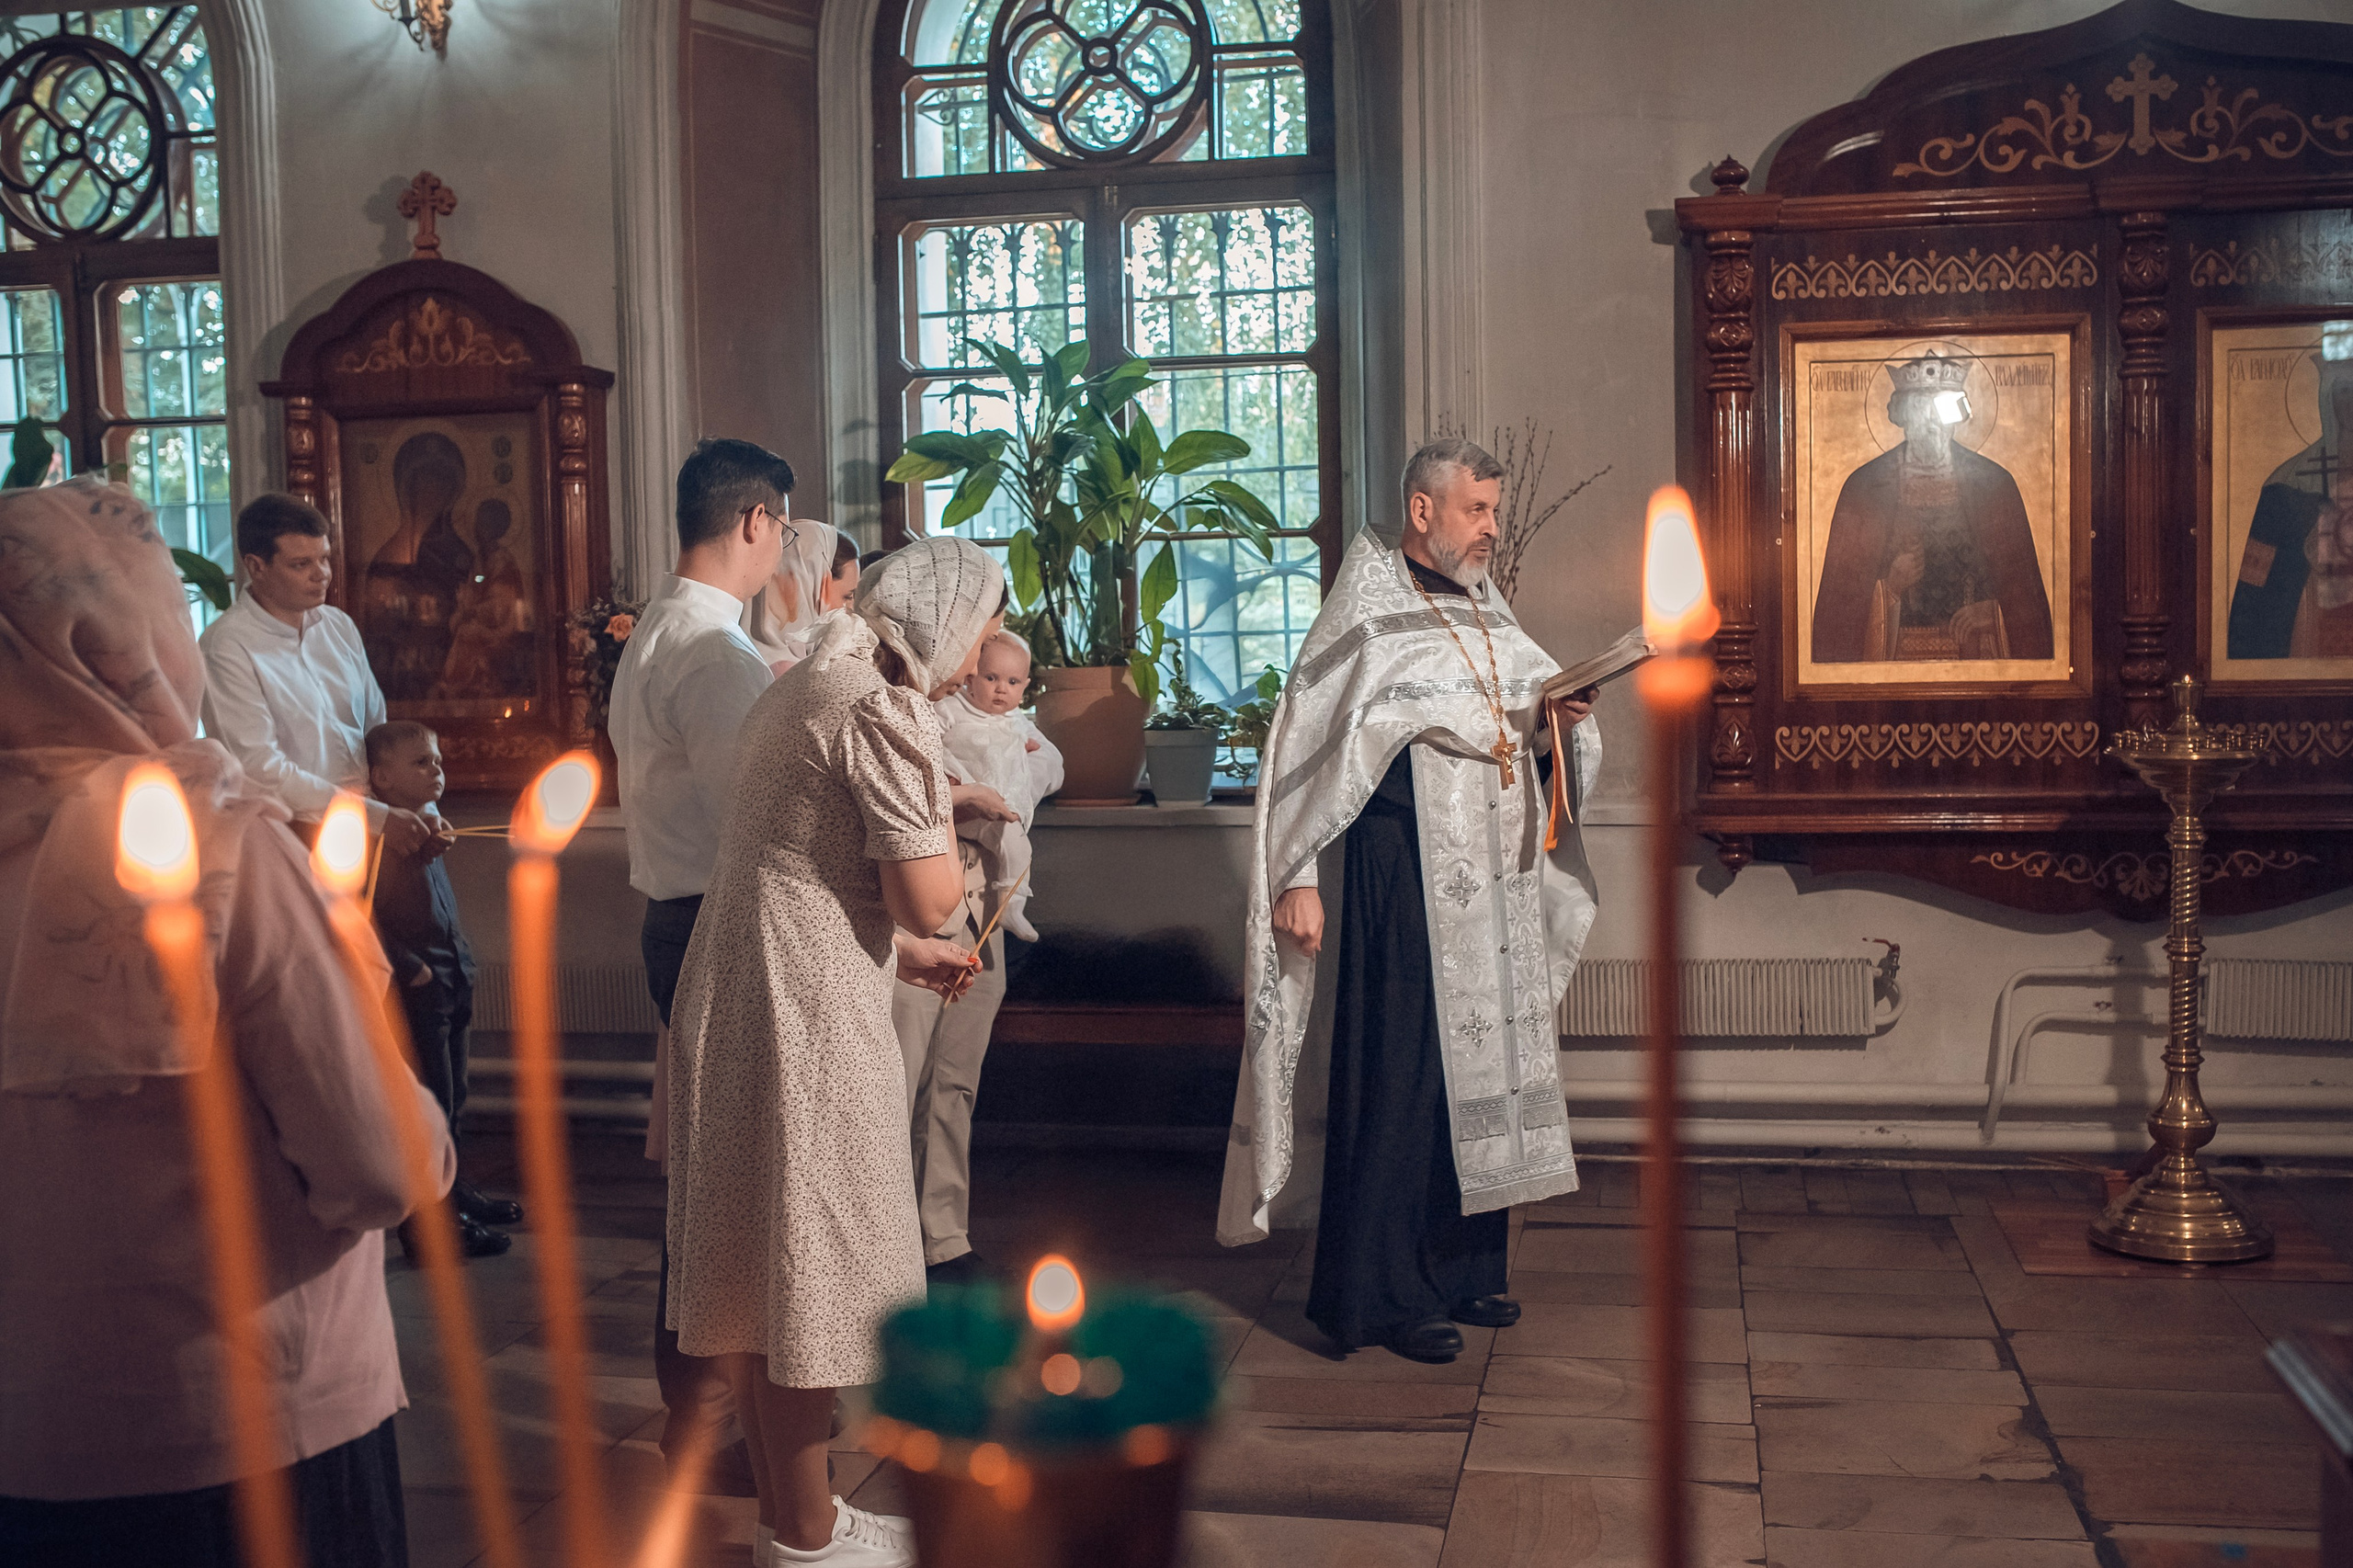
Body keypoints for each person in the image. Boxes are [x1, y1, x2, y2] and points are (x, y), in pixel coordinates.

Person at [0, 479, 455, 1566]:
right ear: (130, 640)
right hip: (247, 1412)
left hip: (28, 1429)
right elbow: (376, 1161)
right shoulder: (221, 854)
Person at [1216, 438, 1602, 1366]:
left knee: (1484, 1076)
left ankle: (1463, 1268)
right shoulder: (1365, 612)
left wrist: (1556, 727)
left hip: (1494, 882)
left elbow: (1516, 735)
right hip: (1400, 873)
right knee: (1403, 1076)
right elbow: (1307, 753)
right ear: (1422, 510)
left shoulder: (1487, 609)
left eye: (1495, 510)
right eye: (1477, 509)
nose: (1492, 528)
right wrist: (1297, 877)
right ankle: (1384, 1295)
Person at [665, 536, 1005, 1567]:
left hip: (743, 982)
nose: (983, 646)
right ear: (946, 623)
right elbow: (928, 893)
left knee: (761, 1267)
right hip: (802, 1008)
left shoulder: (812, 679)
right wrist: (948, 831)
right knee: (811, 1263)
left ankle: (792, 1519)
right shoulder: (881, 707)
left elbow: (802, 861)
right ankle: (809, 1536)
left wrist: (898, 953)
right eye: (984, 624)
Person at [608, 437, 797, 1494]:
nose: (782, 551)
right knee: (726, 1194)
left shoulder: (657, 628)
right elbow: (759, 818)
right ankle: (711, 1425)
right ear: (755, 520)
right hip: (716, 923)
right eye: (782, 530)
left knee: (706, 1187)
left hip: (674, 916)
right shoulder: (717, 650)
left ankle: (703, 1417)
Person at [892, 627, 1060, 1285]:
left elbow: (1046, 765)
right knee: (899, 1078)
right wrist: (963, 795)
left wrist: (1012, 780)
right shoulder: (915, 707)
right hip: (919, 908)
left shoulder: (1008, 721)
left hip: (984, 904)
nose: (991, 680)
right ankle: (886, 1243)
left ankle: (943, 1238)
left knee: (955, 1080)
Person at [199, 493, 440, 864]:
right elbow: (259, 769)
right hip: (291, 838)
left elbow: (381, 735)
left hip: (377, 828)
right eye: (301, 564)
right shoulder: (226, 646)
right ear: (256, 566)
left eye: (324, 558)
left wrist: (422, 809)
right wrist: (374, 818)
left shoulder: (338, 626)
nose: (322, 574)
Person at [368, 718, 520, 1257]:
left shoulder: (427, 830)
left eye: (437, 760)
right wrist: (409, 966)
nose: (436, 769)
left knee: (455, 1095)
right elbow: (366, 916)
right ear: (382, 778)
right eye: (421, 762)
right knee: (428, 1101)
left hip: (453, 975)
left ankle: (454, 1191)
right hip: (420, 986)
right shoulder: (376, 841)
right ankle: (429, 1223)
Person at [1811, 350, 2053, 664]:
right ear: (1902, 416)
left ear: (1956, 419)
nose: (1930, 423)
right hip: (1891, 669)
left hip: (1977, 661)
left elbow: (2026, 605)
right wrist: (1890, 588)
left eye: (1940, 410)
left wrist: (1994, 613)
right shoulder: (1865, 489)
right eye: (1918, 408)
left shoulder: (1993, 486)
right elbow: (1838, 616)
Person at [936, 627, 1061, 942]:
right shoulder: (952, 707)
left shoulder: (1017, 721)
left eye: (1013, 682)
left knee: (1018, 845)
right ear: (971, 676)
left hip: (997, 812)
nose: (1001, 689)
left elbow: (1051, 764)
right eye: (991, 678)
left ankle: (1012, 906)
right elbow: (928, 742)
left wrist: (1025, 759)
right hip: (958, 807)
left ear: (1025, 686)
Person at [2227, 348, 2353, 659]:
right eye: (2344, 390)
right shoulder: (2287, 482)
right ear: (2328, 398)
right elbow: (2255, 583)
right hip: (2310, 626)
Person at [743, 515, 843, 673]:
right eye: (848, 596)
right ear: (810, 587)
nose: (850, 609)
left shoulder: (736, 648)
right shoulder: (792, 672)